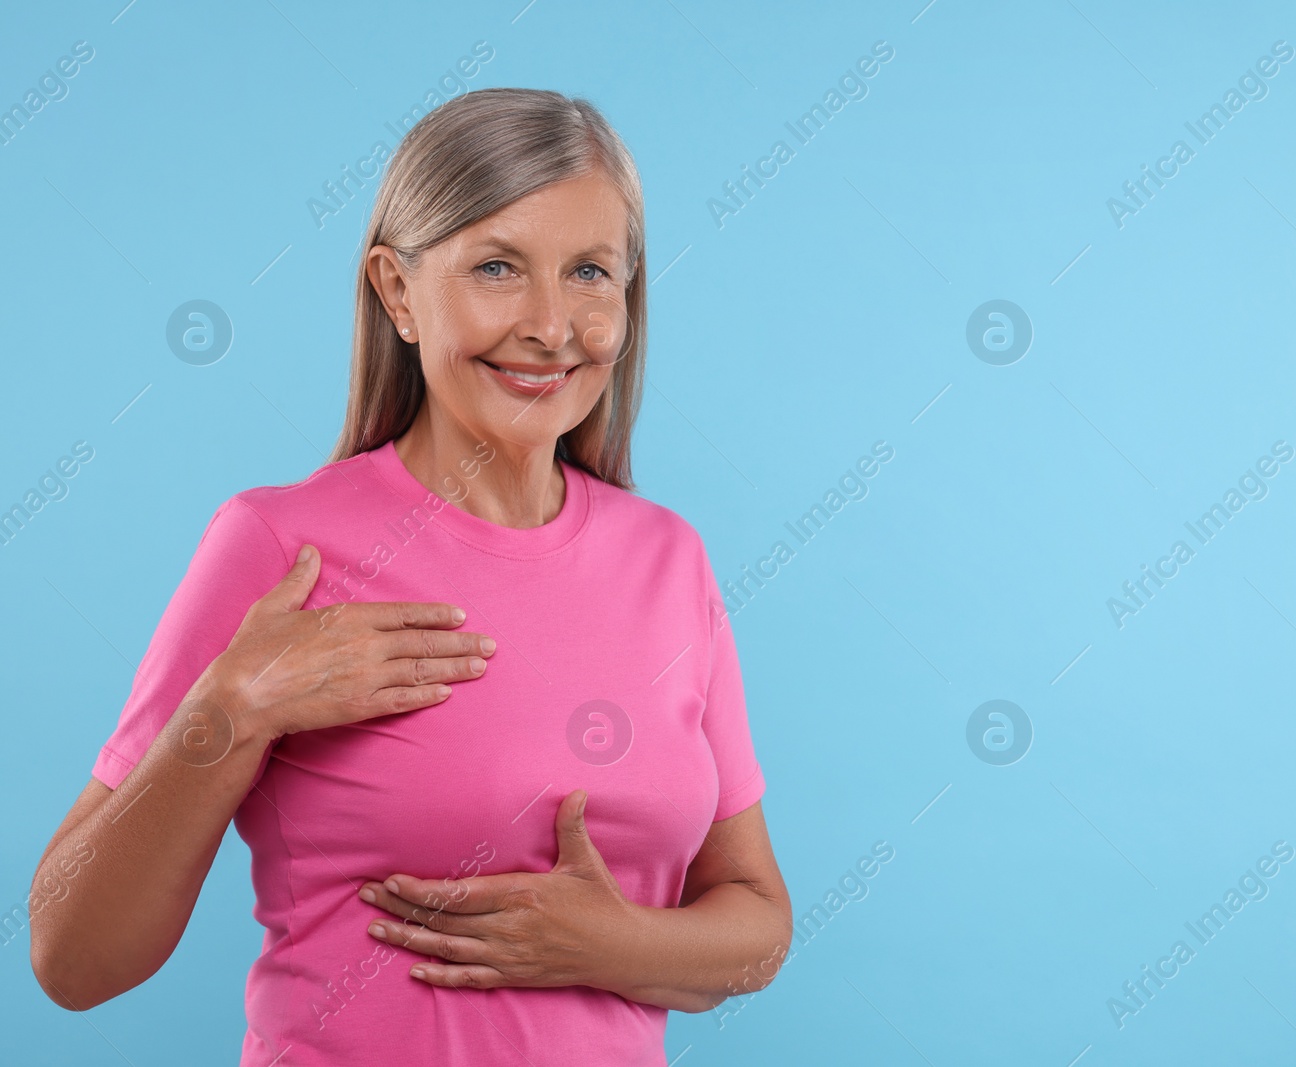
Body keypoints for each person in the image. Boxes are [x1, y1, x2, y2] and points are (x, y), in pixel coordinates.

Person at [29, 87, 791, 1065]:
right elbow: (71, 955)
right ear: (396, 289)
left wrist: (606, 942)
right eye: (497, 268)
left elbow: (756, 923)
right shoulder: (280, 545)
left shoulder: (667, 559)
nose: (552, 324)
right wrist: (231, 706)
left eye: (590, 272)